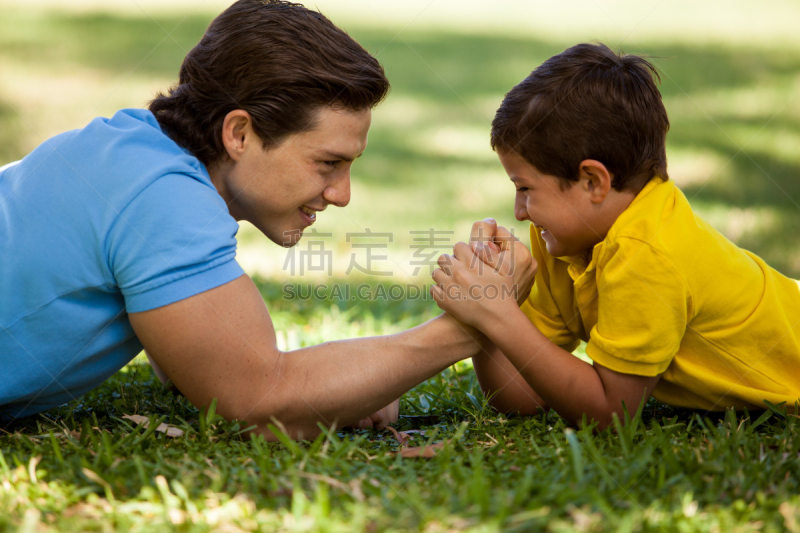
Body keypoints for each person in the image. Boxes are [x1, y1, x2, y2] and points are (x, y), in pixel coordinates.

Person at [0, 0, 510, 439]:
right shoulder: (162, 196)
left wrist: (343, 385)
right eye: (328, 163)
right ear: (239, 134)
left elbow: (196, 360)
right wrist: (473, 325)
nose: (342, 194)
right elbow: (260, 403)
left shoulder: (133, 151)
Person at [431, 43, 800, 429]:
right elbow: (520, 395)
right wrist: (488, 304)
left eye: (525, 189)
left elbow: (610, 415)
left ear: (593, 181)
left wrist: (499, 316)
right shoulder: (565, 239)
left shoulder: (647, 254)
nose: (518, 212)